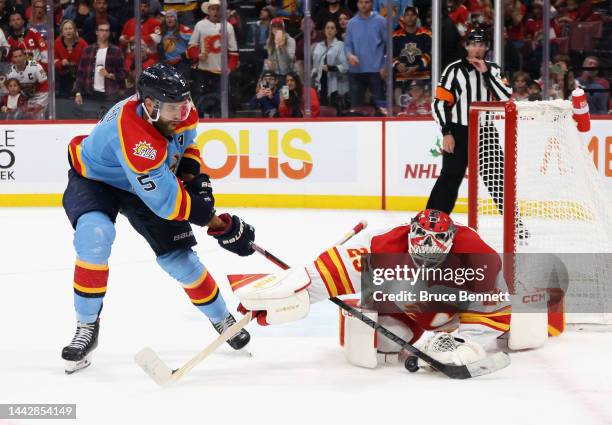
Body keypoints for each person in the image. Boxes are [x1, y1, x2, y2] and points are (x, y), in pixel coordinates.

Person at [60, 63, 255, 374]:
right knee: (94, 238)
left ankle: (222, 318)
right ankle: (86, 327)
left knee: (179, 259)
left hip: (143, 183)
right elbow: (167, 202)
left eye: (184, 104)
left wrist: (192, 175)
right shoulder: (137, 139)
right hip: (96, 179)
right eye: (172, 108)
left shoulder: (181, 112)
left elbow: (188, 145)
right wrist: (220, 224)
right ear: (149, 106)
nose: (181, 114)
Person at [234, 209, 516, 369]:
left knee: (511, 328)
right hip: (407, 306)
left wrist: (469, 341)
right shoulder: (381, 246)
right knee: (386, 343)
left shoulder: (478, 257)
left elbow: (491, 302)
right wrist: (287, 296)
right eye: (420, 257)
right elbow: (325, 275)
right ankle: (363, 313)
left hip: (456, 310)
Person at [428, 29, 511, 217]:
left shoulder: (495, 69)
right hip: (459, 132)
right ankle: (432, 219)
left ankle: (513, 224)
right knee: (450, 177)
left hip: (485, 132)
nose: (477, 48)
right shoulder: (453, 70)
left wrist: (487, 73)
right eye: (473, 44)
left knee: (497, 178)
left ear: (487, 47)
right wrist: (447, 132)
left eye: (481, 44)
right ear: (466, 46)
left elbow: (505, 97)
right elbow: (440, 103)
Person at [187, 0, 239, 117]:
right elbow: (191, 47)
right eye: (213, 9)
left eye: (217, 9)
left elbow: (234, 53)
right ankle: (199, 119)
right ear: (208, 10)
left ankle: (221, 120)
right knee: (200, 97)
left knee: (222, 99)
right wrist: (198, 55)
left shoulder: (228, 27)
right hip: (203, 70)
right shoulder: (200, 25)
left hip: (221, 71)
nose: (215, 12)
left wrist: (230, 68)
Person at [72, 22, 125, 119]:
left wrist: (109, 75)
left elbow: (122, 74)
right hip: (91, 95)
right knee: (89, 124)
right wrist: (78, 93)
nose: (104, 33)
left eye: (106, 30)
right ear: (97, 32)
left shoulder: (116, 51)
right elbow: (80, 74)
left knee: (109, 124)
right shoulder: (88, 50)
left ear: (109, 33)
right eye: (101, 30)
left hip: (110, 96)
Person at [344, 0, 387, 112]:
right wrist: (349, 55)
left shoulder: (381, 21)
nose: (363, 5)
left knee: (381, 109)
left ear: (372, 3)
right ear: (357, 4)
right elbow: (347, 45)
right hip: (356, 72)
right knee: (356, 109)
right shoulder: (351, 23)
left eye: (366, 2)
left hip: (376, 71)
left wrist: (385, 65)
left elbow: (390, 45)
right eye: (361, 2)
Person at [392, 6, 432, 102]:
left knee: (424, 107)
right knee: (400, 106)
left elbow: (429, 54)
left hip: (423, 77)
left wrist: (417, 66)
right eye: (407, 15)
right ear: (403, 17)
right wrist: (397, 65)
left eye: (412, 15)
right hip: (402, 79)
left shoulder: (426, 34)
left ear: (417, 17)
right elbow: (389, 55)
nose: (410, 17)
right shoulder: (395, 35)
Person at [311, 19, 349, 112]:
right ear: (324, 30)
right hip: (321, 83)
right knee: (322, 110)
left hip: (336, 83)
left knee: (334, 110)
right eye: (327, 28)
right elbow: (315, 65)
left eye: (332, 28)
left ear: (336, 31)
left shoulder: (340, 45)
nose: (329, 30)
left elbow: (345, 67)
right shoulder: (318, 46)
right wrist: (313, 72)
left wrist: (331, 68)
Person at [6, 46, 48, 119]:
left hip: (38, 95)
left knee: (38, 117)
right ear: (12, 59)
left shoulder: (36, 66)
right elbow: (11, 92)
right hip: (22, 98)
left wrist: (40, 103)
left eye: (20, 56)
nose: (18, 59)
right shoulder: (10, 73)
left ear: (25, 56)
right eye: (15, 57)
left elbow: (45, 85)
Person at [54, 19, 88, 98]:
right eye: (65, 29)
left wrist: (78, 63)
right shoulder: (57, 43)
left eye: (70, 28)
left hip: (79, 74)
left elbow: (88, 59)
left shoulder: (82, 43)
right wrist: (61, 63)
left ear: (74, 30)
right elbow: (53, 60)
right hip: (63, 74)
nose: (68, 31)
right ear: (62, 32)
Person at [160, 9, 193, 81]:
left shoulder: (184, 30)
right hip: (168, 64)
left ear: (176, 18)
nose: (169, 19)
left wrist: (182, 57)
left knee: (181, 86)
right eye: (167, 17)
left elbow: (194, 44)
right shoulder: (163, 31)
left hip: (182, 63)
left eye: (171, 16)